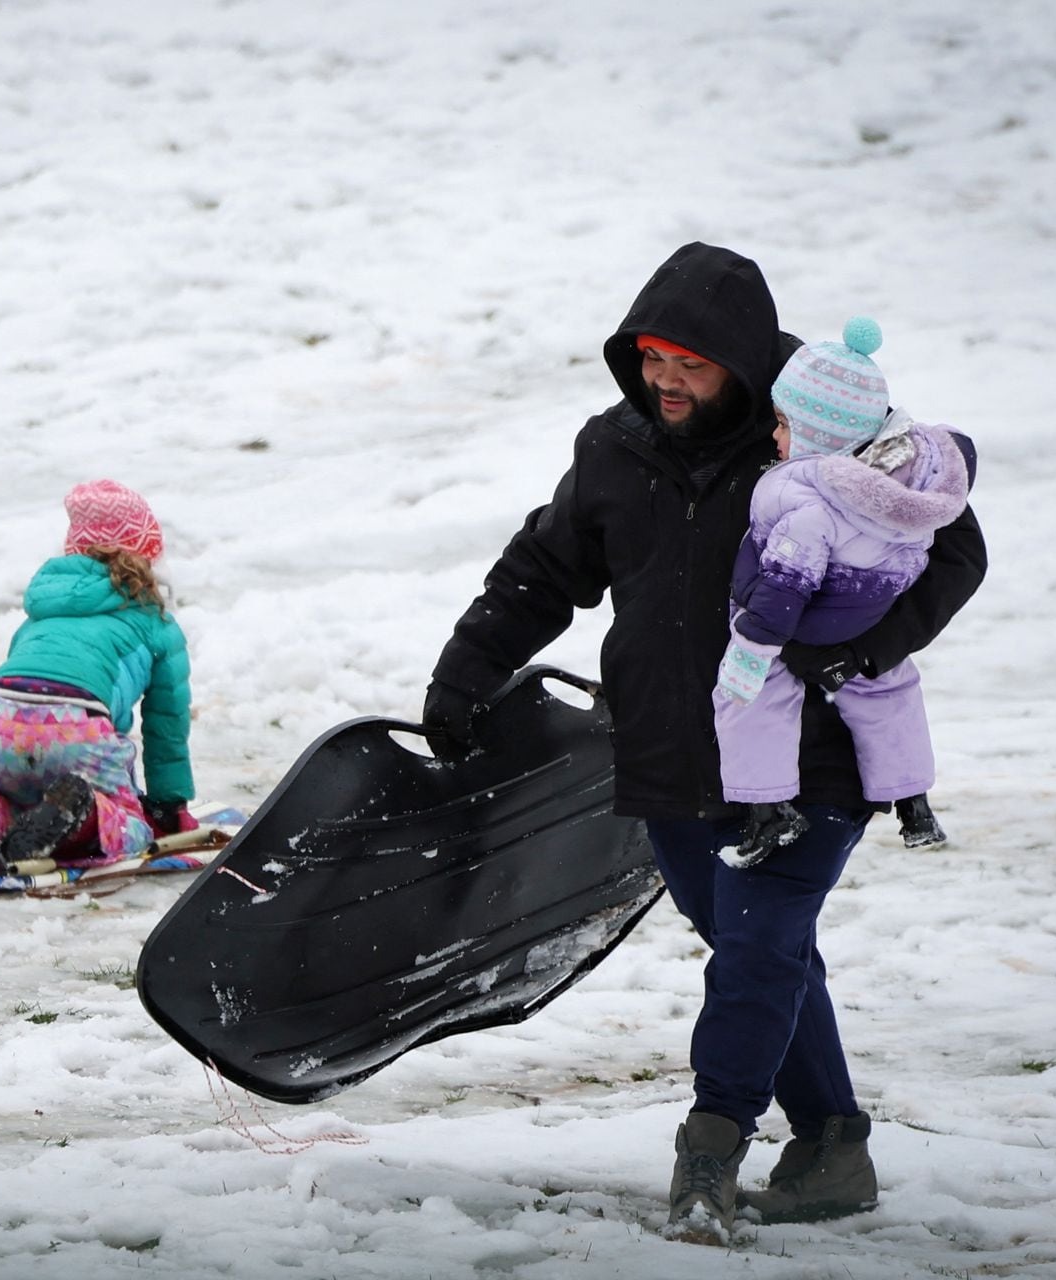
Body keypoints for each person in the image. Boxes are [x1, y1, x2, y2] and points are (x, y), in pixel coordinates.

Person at [420, 244, 986, 1242]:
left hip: (809, 757)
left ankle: (708, 1154)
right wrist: (463, 674)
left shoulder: (833, 435)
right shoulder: (614, 447)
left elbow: (958, 547)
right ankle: (832, 1144)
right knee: (756, 949)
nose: (667, 381)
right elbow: (544, 572)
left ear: (743, 363)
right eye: (652, 358)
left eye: (692, 363)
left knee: (758, 945)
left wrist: (859, 650)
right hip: (670, 752)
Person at [715, 318, 976, 865]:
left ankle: (769, 809)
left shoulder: (807, 503)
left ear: (819, 434)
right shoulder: (905, 488)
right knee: (889, 690)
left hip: (806, 616)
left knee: (753, 699)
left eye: (784, 424)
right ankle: (913, 802)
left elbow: (786, 584)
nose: (775, 437)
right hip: (867, 613)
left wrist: (753, 650)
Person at [0, 480, 197, 873]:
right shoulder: (155, 622)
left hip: (0, 721)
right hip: (78, 728)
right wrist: (169, 804)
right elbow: (166, 725)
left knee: (18, 805)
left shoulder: (41, 612)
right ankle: (81, 812)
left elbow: (23, 677)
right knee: (131, 826)